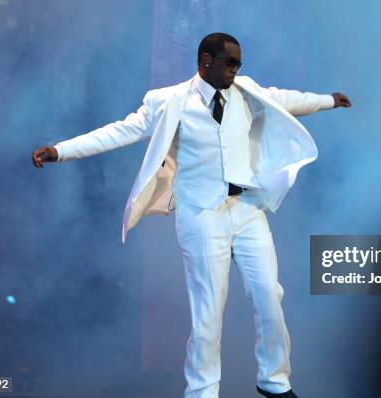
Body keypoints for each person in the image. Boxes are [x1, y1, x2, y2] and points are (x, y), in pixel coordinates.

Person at [32, 32, 351, 398]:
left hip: (247, 209)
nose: (235, 70)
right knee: (208, 312)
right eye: (229, 63)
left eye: (238, 64)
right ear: (205, 61)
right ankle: (201, 391)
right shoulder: (170, 101)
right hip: (202, 214)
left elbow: (286, 100)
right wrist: (60, 151)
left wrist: (328, 100)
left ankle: (274, 381)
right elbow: (120, 131)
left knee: (269, 294)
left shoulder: (245, 91)